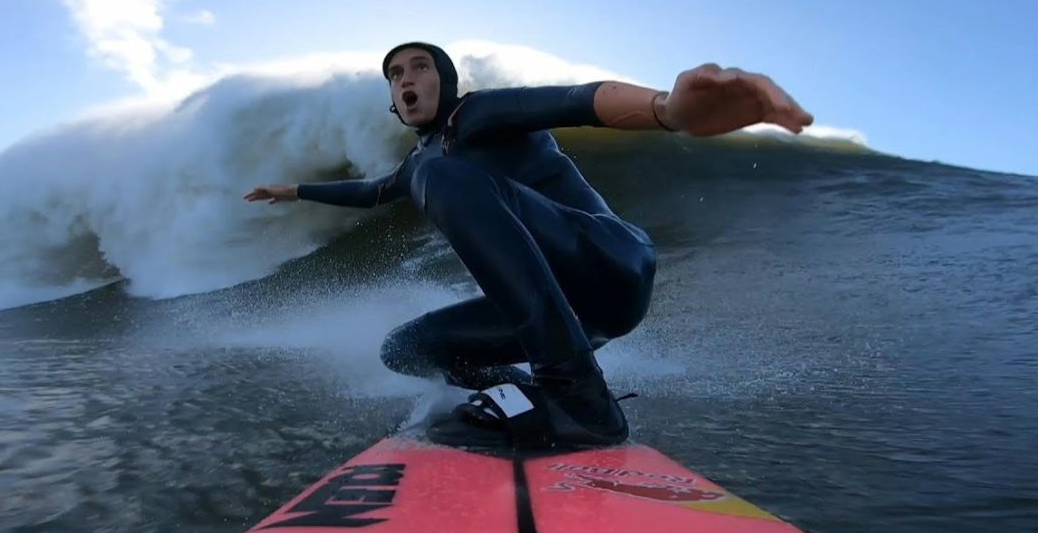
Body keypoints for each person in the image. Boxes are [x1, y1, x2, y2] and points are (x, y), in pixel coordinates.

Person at [245, 41, 812, 449]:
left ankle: (577, 401)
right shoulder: (422, 159)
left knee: (438, 180)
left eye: (420, 66)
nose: (406, 78)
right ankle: (526, 398)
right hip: (572, 315)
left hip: (610, 261)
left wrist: (669, 110)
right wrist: (293, 190)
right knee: (406, 348)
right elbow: (372, 191)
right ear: (393, 96)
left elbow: (576, 101)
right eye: (395, 74)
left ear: (444, 79)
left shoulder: (479, 112)